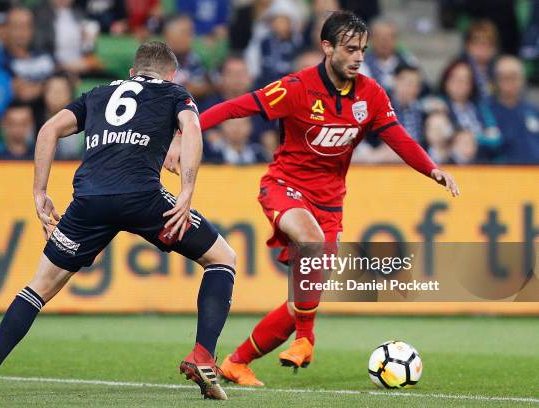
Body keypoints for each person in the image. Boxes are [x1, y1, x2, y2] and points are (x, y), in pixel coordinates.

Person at [165, 10, 459, 386]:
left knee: (301, 299)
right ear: (327, 47)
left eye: (363, 51)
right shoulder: (295, 88)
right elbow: (234, 107)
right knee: (311, 241)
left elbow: (397, 136)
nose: (358, 58)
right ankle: (307, 337)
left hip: (330, 204)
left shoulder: (370, 94)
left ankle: (237, 362)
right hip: (283, 187)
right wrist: (183, 133)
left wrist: (431, 168)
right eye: (351, 49)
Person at [0, 41, 235, 401]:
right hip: (144, 201)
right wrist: (186, 191)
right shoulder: (174, 93)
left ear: (132, 73)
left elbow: (47, 130)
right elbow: (192, 126)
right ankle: (202, 355)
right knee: (222, 259)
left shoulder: (98, 93)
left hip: (89, 203)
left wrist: (39, 192)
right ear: (171, 74)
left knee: (38, 288)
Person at [489, 55, 539, 164]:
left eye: (513, 76)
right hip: (504, 175)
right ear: (495, 81)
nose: (508, 82)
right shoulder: (486, 111)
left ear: (522, 79)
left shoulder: (533, 111)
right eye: (503, 77)